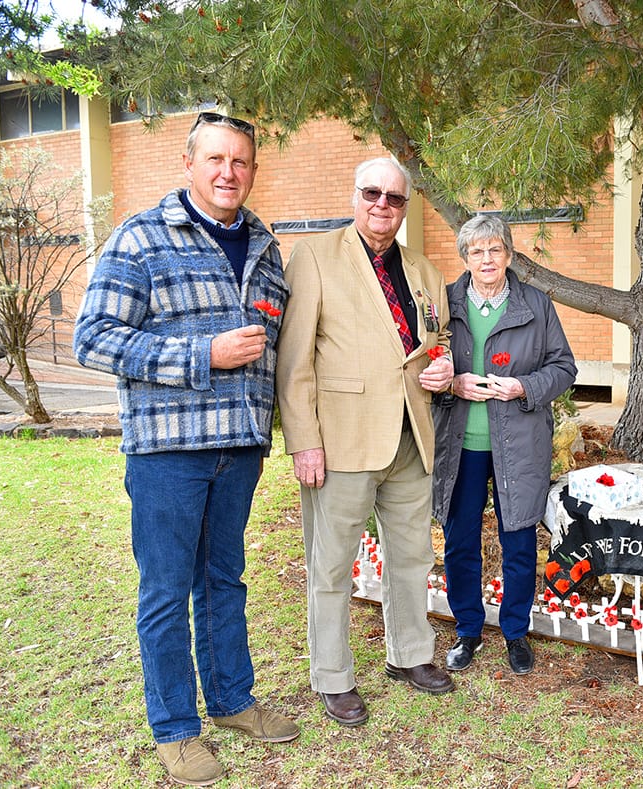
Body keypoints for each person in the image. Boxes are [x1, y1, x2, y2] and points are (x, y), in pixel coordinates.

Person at [73, 112, 298, 786]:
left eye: (241, 162)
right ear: (188, 161)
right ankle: (175, 728)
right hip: (169, 452)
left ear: (253, 170)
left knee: (224, 580)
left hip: (239, 449)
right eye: (216, 159)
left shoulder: (262, 244)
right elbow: (95, 337)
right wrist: (203, 353)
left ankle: (232, 700)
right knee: (168, 590)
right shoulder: (141, 238)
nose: (229, 172)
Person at [276, 156, 456, 727]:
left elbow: (438, 337)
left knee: (412, 557)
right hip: (342, 441)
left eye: (394, 198)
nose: (383, 205)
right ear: (355, 195)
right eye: (372, 193)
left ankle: (411, 655)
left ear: (406, 206)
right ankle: (332, 675)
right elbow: (294, 359)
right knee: (331, 565)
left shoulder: (425, 270)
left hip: (411, 437)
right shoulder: (314, 257)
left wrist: (444, 366)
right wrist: (304, 440)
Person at [432, 215, 577, 676]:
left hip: (518, 442)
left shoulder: (536, 304)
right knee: (460, 542)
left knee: (517, 538)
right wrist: (451, 382)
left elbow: (564, 367)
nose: (487, 259)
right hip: (462, 444)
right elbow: (422, 365)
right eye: (477, 251)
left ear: (509, 255)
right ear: (466, 257)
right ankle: (468, 629)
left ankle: (516, 631)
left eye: (495, 249)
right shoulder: (444, 304)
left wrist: (523, 387)